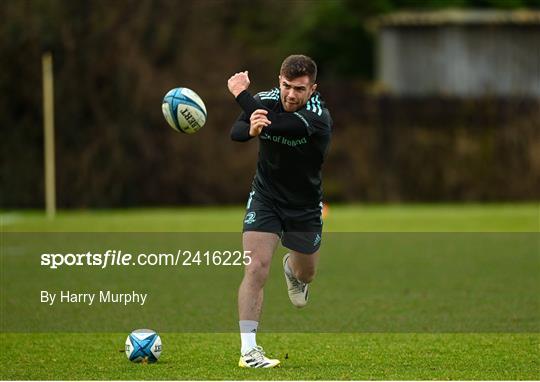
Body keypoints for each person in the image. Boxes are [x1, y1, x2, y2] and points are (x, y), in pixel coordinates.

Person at [227, 54, 332, 368]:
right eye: (286, 86)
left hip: (304, 206)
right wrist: (251, 130)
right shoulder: (267, 99)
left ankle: (293, 271)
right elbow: (237, 131)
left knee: (306, 273)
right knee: (256, 267)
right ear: (279, 81)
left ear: (312, 88)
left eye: (299, 88)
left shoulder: (318, 116)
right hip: (266, 198)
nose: (291, 95)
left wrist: (240, 95)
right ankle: (249, 351)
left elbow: (281, 125)